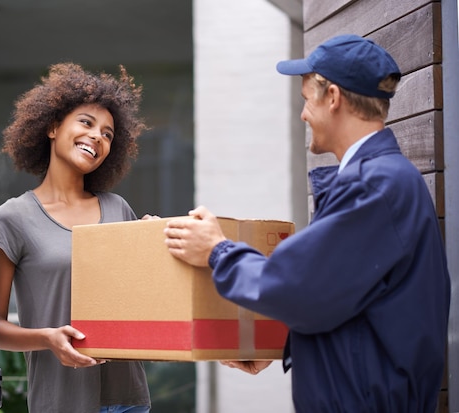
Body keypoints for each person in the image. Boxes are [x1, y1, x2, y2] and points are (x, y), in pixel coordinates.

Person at [163, 34, 450, 412]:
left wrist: (217, 250)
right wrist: (287, 343)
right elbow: (338, 297)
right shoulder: (384, 180)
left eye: (305, 100)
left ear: (332, 97)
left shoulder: (373, 186)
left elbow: (295, 286)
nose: (302, 115)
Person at [0, 63, 151, 413]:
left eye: (108, 134)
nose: (97, 136)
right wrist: (46, 339)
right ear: (52, 127)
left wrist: (153, 247)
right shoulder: (11, 219)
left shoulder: (117, 208)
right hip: (60, 402)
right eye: (86, 122)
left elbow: (136, 299)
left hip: (129, 400)